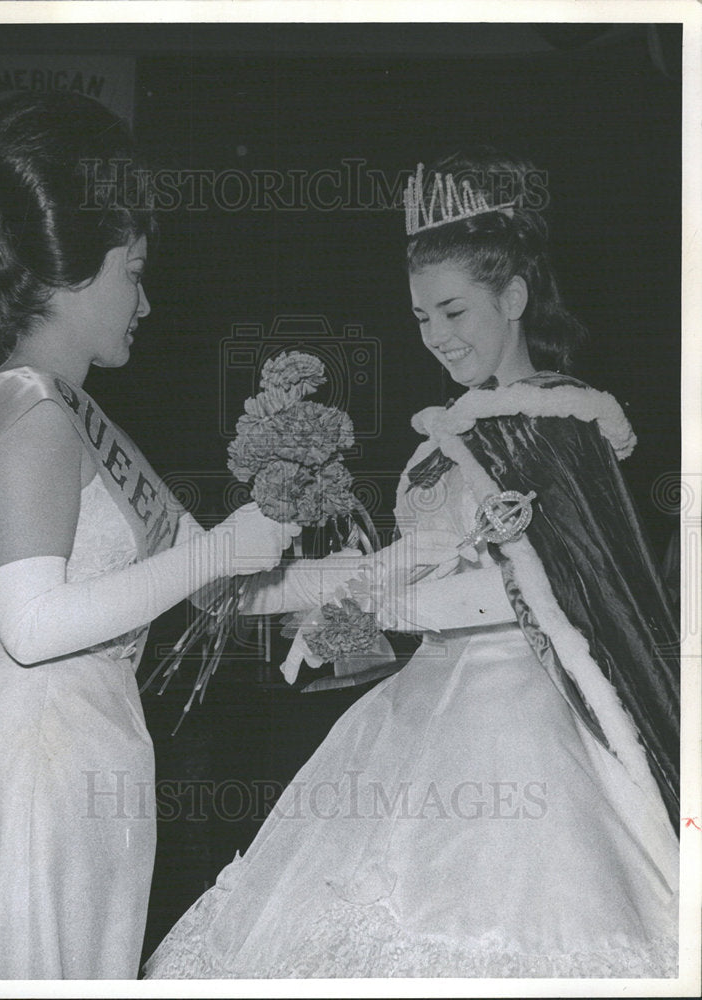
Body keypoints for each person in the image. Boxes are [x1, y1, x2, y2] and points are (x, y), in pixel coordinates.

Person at [144, 150, 680, 978]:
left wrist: (379, 610)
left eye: (454, 310)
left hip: (518, 726)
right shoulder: (453, 431)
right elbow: (404, 565)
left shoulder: (556, 421)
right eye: (422, 316)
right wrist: (236, 584)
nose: (436, 336)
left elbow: (526, 591)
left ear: (513, 296)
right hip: (417, 705)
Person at [0, 91, 298, 980]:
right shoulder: (35, 418)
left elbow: (212, 577)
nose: (145, 298)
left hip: (72, 742)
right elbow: (31, 626)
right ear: (72, 275)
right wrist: (218, 553)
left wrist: (371, 578)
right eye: (131, 270)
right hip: (38, 758)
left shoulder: (57, 412)